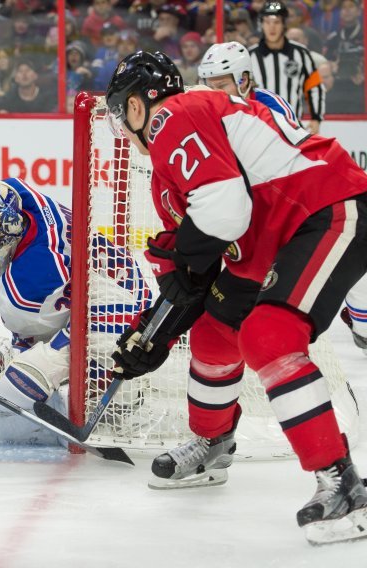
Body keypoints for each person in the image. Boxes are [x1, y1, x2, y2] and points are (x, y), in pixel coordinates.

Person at [106, 50, 367, 544]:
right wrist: (153, 333)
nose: (123, 126)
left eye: (123, 112)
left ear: (138, 105)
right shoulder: (167, 170)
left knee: (269, 336)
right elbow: (192, 275)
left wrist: (185, 264)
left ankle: (342, 483)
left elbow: (224, 213)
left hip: (325, 207)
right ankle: (212, 442)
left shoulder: (173, 116)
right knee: (213, 333)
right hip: (272, 234)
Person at [0, 178, 149, 419]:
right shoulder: (16, 197)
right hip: (101, 290)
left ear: (5, 227)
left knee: (14, 386)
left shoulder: (41, 266)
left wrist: (37, 361)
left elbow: (74, 323)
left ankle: (119, 396)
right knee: (13, 367)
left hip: (124, 312)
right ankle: (81, 380)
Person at [249, 1, 324, 134]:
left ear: (284, 24)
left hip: (294, 127)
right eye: (267, 22)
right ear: (262, 24)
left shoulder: (301, 53)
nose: (272, 27)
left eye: (276, 22)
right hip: (259, 129)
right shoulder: (250, 56)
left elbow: (314, 86)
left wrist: (316, 117)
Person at [198, 41, 298, 122]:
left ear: (243, 81)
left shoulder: (275, 110)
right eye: (210, 87)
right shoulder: (206, 109)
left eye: (222, 85)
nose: (215, 93)